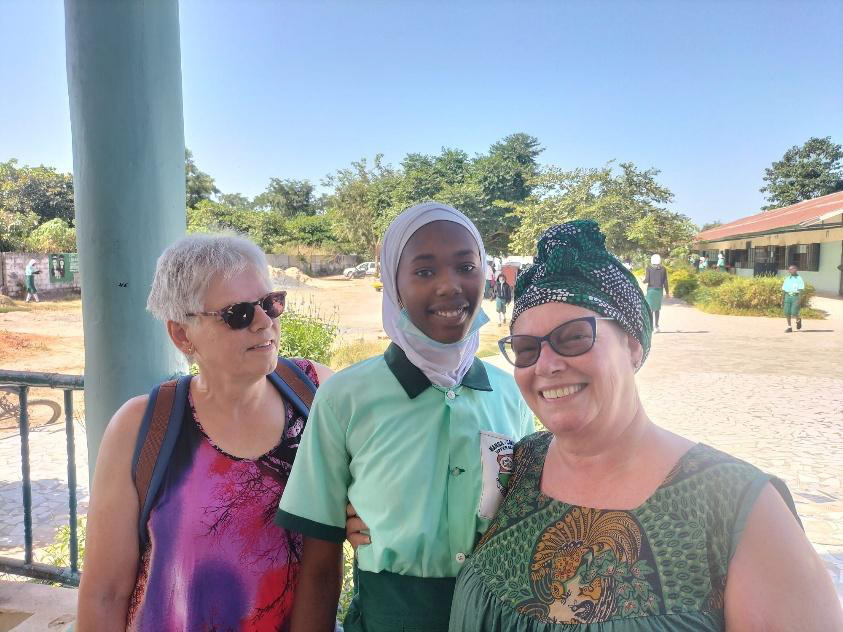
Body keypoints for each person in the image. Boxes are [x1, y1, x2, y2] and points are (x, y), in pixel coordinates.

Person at [449, 220, 842, 631]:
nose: (546, 365)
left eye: (574, 337)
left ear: (633, 346)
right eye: (527, 348)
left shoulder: (738, 507)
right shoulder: (519, 467)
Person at [276, 202, 534, 632]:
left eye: (466, 266)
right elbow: (319, 563)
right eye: (424, 271)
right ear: (394, 285)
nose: (449, 285)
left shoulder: (511, 394)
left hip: (498, 618)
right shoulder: (346, 398)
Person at [76, 234, 333, 631]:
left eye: (270, 303)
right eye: (238, 314)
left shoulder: (318, 395)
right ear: (182, 334)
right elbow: (104, 594)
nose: (265, 322)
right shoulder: (142, 427)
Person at [643, 253, 669, 332]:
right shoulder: (663, 269)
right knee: (657, 309)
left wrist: (643, 280)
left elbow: (647, 280)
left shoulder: (649, 268)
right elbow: (665, 281)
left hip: (651, 290)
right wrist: (667, 292)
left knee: (650, 309)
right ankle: (656, 326)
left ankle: (650, 327)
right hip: (659, 290)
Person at [782, 263, 805, 333]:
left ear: (796, 270)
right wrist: (782, 298)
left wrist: (799, 299)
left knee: (794, 312)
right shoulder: (787, 279)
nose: (790, 271)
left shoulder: (799, 279)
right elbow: (784, 289)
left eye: (791, 269)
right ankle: (789, 327)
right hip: (787, 296)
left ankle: (798, 320)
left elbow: (801, 289)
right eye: (789, 269)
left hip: (795, 296)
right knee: (787, 312)